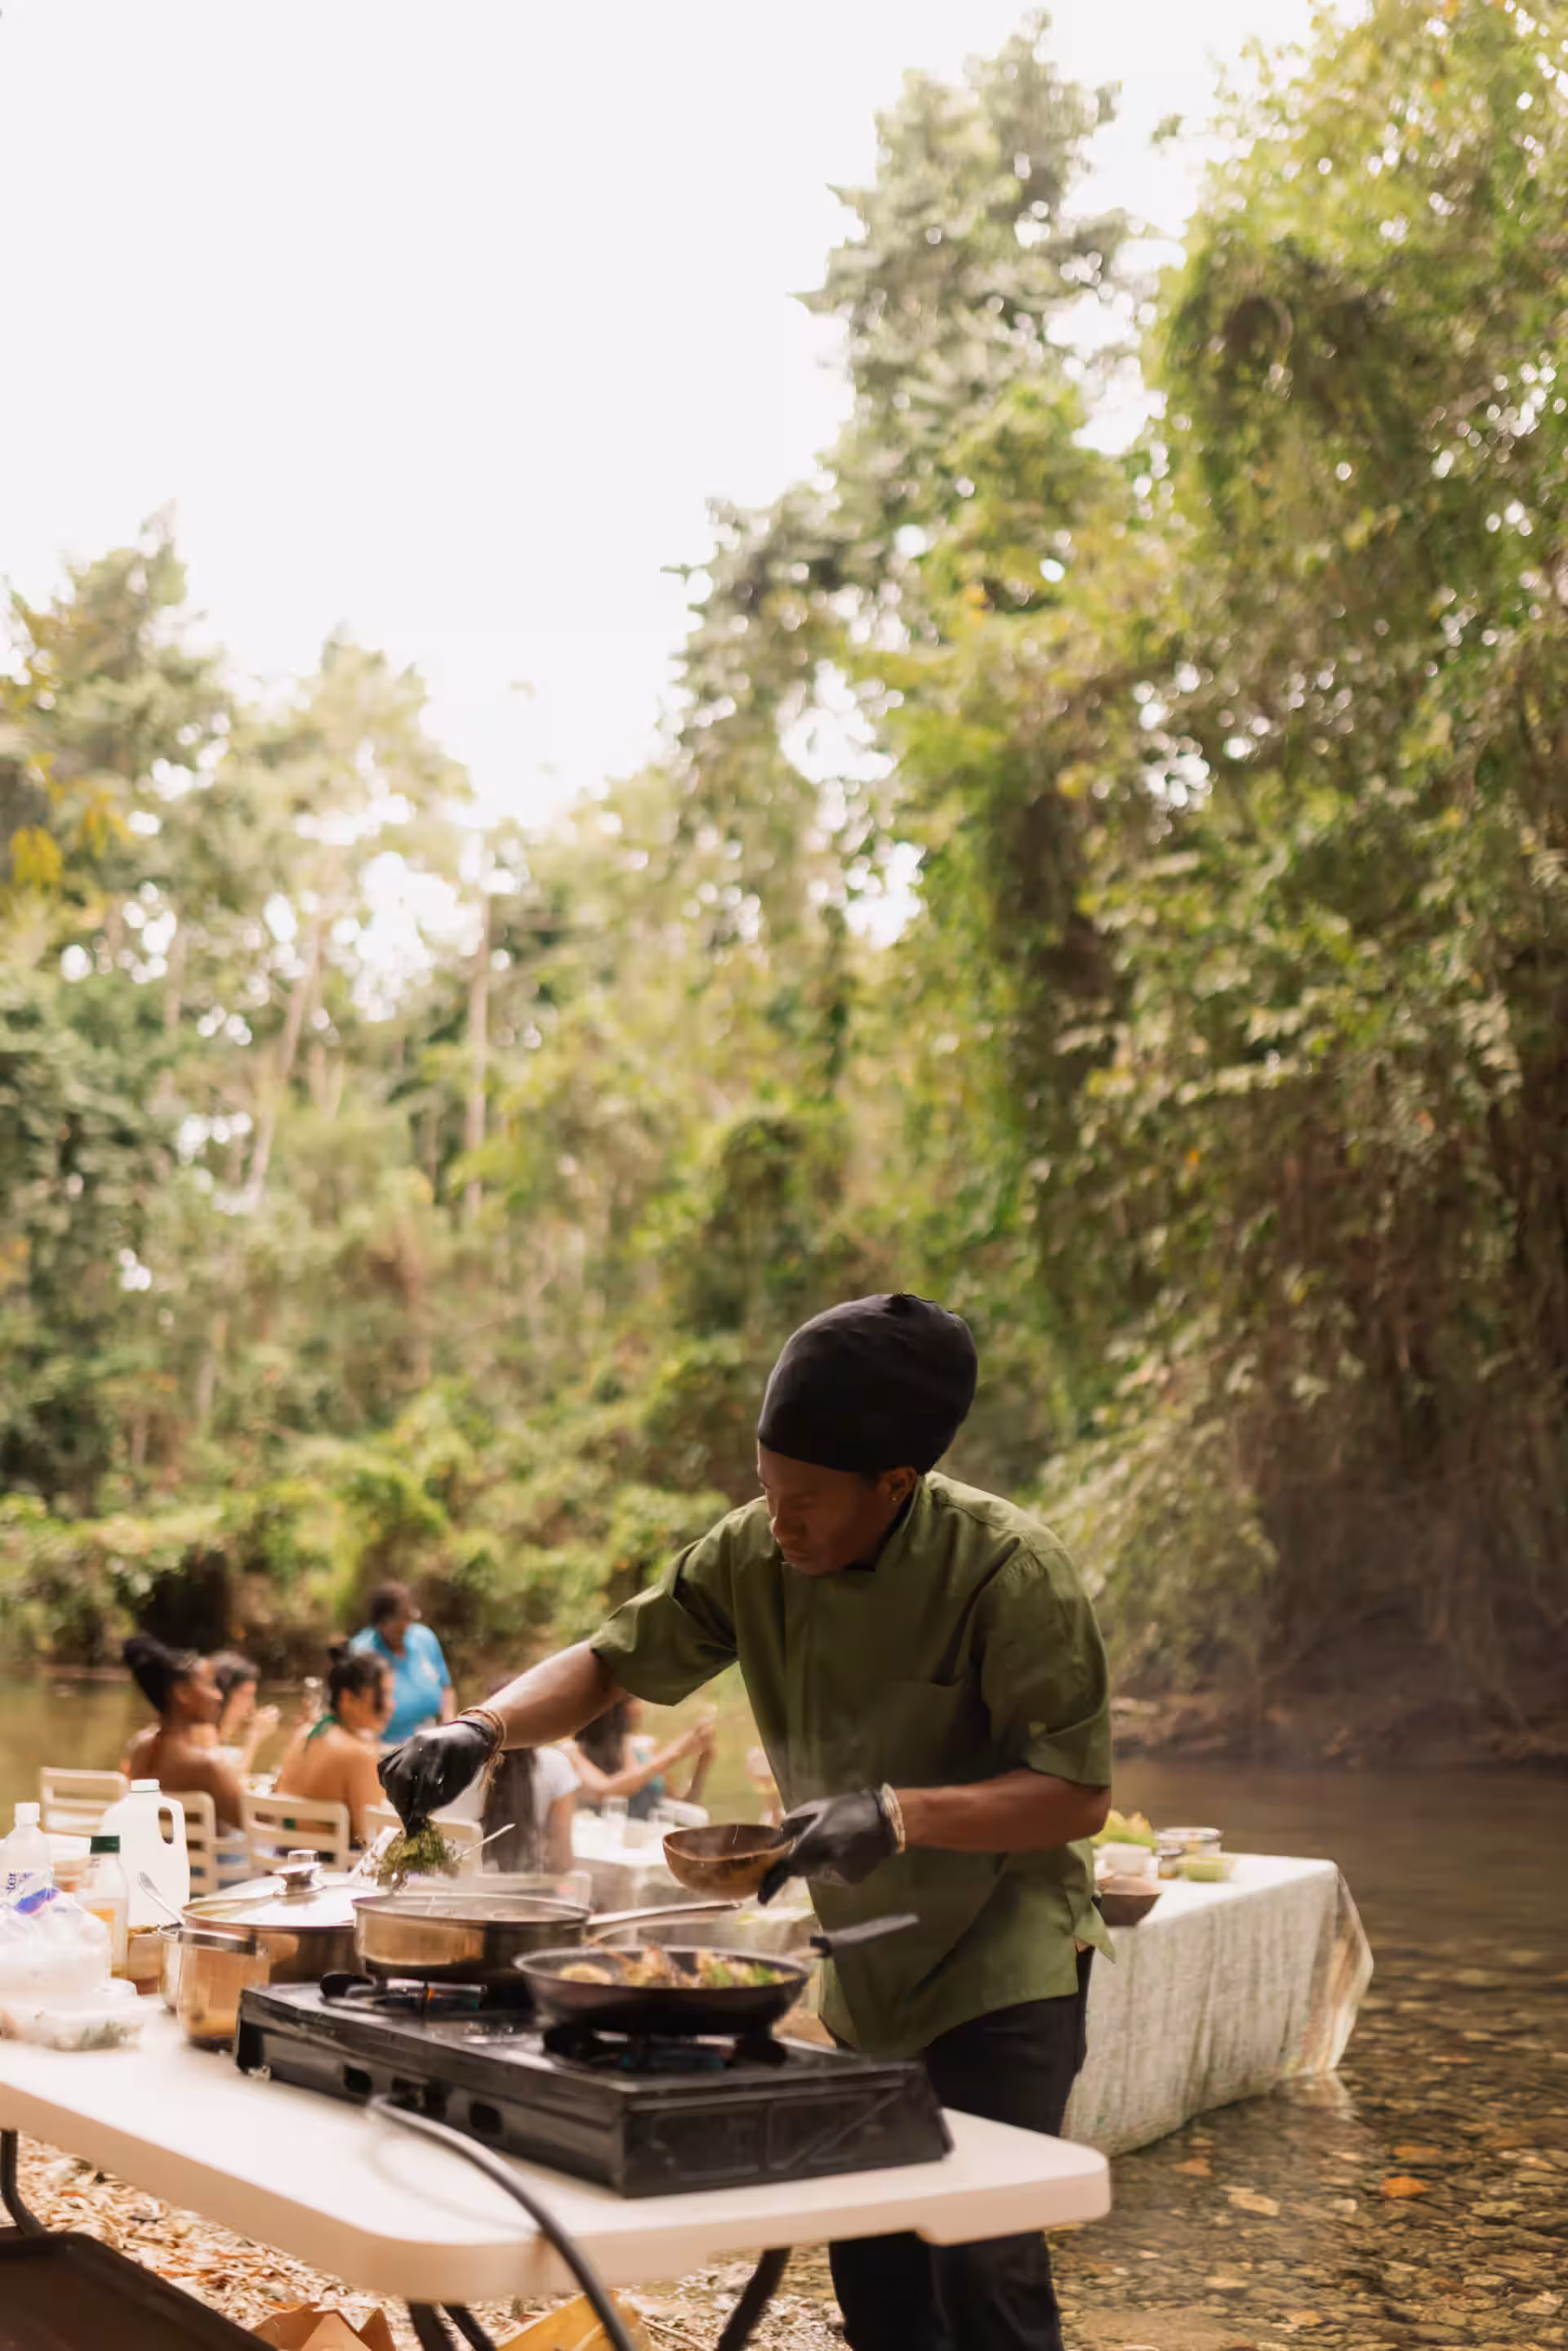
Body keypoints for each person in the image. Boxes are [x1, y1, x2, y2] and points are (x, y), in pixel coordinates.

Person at [381, 1291, 1113, 2351]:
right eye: (767, 1487)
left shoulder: (1010, 1571)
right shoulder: (756, 1554)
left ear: (895, 1484)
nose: (781, 1520)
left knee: (985, 2269)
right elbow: (611, 1658)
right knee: (876, 2272)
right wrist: (483, 1727)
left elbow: (1076, 1790)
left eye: (806, 1498)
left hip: (1002, 1967)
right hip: (868, 1973)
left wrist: (899, 1814)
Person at [121, 1636, 247, 1833]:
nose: (219, 1696)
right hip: (197, 1864)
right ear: (183, 1693)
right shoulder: (205, 1767)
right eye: (210, 1685)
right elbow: (256, 1823)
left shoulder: (141, 1749)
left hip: (161, 1862)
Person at [274, 1647, 394, 1844]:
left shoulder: (304, 1735)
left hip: (286, 1862)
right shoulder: (357, 1755)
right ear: (348, 1699)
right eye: (383, 1695)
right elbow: (374, 1841)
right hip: (332, 1872)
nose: (390, 1705)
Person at [566, 1695, 715, 1818]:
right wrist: (674, 1753)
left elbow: (682, 1805)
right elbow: (604, 1793)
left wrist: (701, 1766)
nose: (641, 1708)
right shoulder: (572, 1753)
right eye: (636, 1701)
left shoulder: (643, 1751)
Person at [350, 1582, 453, 1747]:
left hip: (431, 1744)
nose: (407, 1624)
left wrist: (449, 1724)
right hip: (383, 1751)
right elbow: (350, 1713)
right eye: (400, 1618)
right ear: (381, 1622)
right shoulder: (361, 1653)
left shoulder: (423, 1638)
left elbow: (445, 1687)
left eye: (410, 1616)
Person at [480, 1742, 578, 1876]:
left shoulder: (459, 1760)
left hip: (457, 1888)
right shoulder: (555, 1765)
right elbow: (561, 1859)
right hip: (528, 1890)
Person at [188, 1651, 280, 1773]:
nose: (252, 1707)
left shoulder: (207, 1736)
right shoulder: (198, 1734)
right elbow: (230, 1786)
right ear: (221, 1696)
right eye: (246, 1695)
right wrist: (254, 1737)